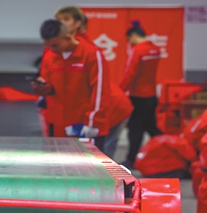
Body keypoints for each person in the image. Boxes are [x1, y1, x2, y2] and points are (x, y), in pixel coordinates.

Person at [34, 19, 114, 150]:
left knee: (88, 162)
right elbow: (49, 88)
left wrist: (92, 123)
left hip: (85, 126)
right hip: (59, 127)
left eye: (55, 45)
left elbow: (100, 91)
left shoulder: (91, 54)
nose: (51, 49)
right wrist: (41, 87)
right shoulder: (50, 57)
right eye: (47, 46)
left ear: (68, 37)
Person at [119, 21, 163, 169]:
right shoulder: (155, 50)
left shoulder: (137, 50)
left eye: (129, 39)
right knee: (152, 128)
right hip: (151, 95)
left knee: (135, 129)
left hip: (138, 96)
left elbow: (130, 73)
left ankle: (131, 159)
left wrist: (120, 91)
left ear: (133, 35)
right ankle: (170, 150)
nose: (130, 43)